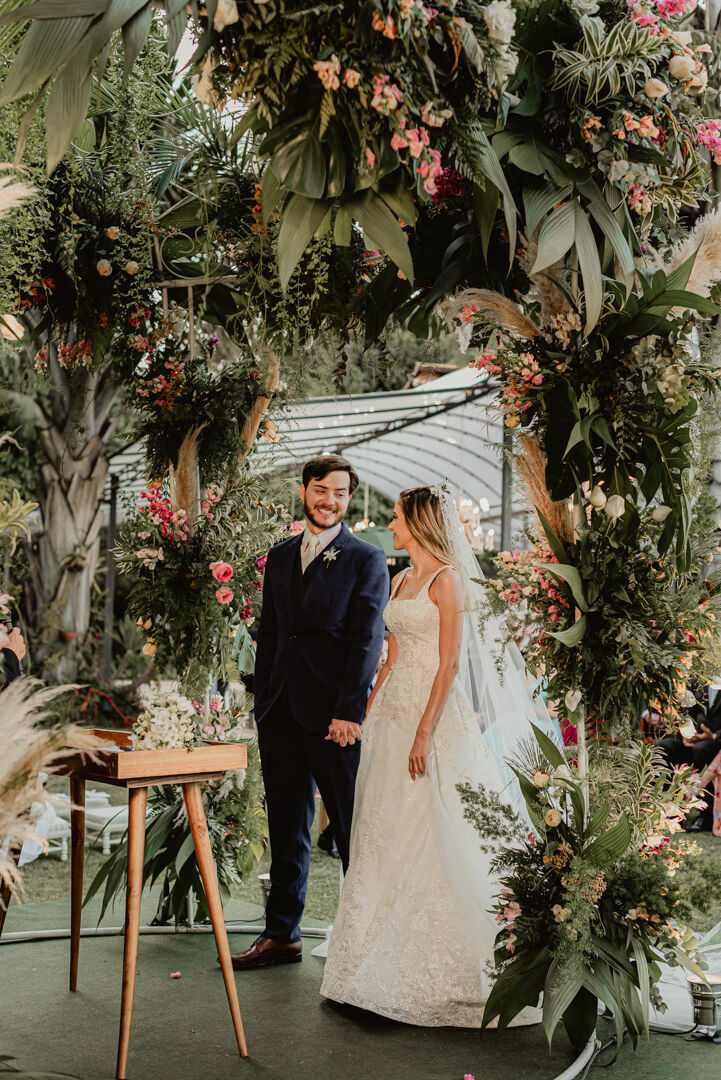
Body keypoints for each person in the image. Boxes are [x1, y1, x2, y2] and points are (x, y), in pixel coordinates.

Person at [320, 485, 555, 1027]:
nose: (391, 523)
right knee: (380, 834)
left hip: (431, 720)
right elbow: (390, 658)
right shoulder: (401, 580)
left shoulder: (448, 581)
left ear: (418, 522)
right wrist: (363, 713)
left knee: (429, 834)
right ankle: (360, 968)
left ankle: (423, 971)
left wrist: (424, 733)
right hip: (389, 719)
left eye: (397, 516)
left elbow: (449, 665)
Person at [229, 455, 389, 969]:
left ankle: (365, 942)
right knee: (285, 827)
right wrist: (263, 698)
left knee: (348, 830)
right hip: (279, 713)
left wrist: (349, 710)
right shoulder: (278, 557)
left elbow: (367, 641)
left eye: (341, 493)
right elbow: (272, 634)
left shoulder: (366, 559)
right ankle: (282, 935)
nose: (331, 501)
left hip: (335, 720)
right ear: (305, 492)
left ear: (349, 498)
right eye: (322, 490)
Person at [657, 681, 721, 833]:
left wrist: (713, 735)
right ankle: (669, 809)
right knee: (664, 746)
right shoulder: (698, 679)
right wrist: (686, 734)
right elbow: (687, 712)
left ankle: (706, 815)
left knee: (702, 750)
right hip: (695, 739)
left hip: (717, 744)